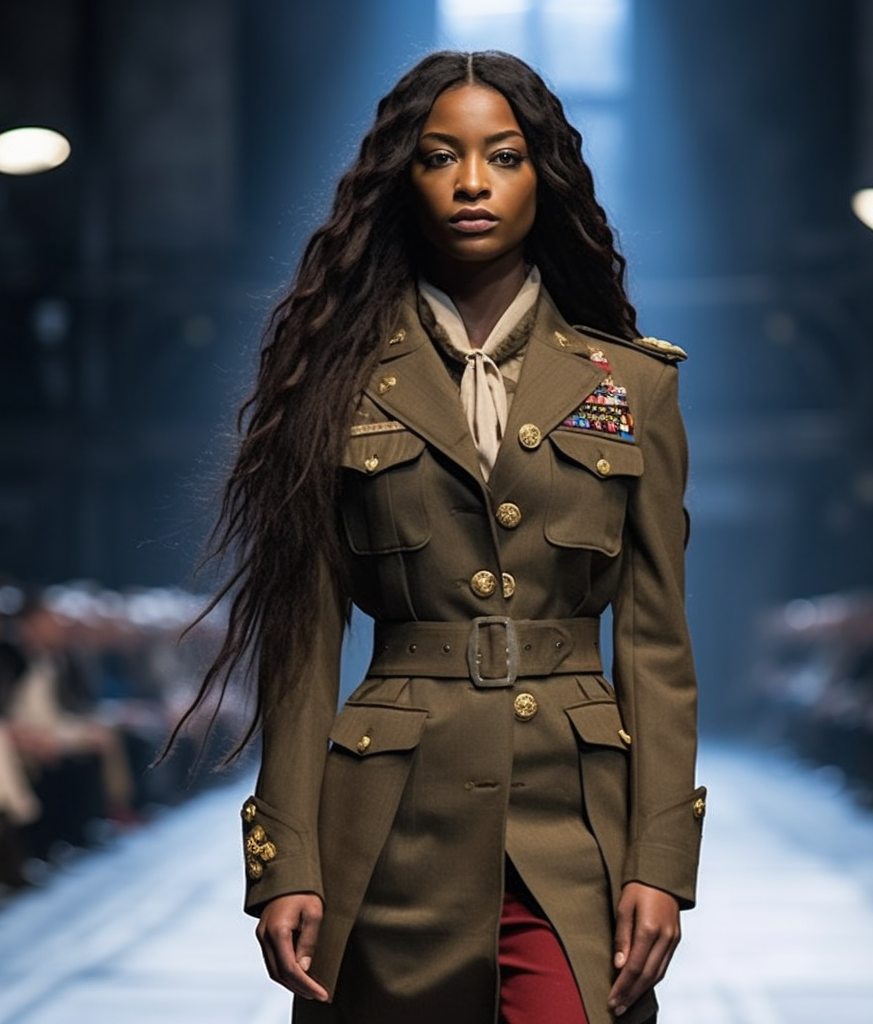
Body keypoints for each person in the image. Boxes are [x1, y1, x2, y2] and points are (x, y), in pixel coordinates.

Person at [179, 50, 706, 1024]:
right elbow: (300, 644)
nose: (471, 183)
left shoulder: (631, 387)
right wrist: (285, 858)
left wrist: (662, 861)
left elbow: (658, 650)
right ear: (401, 181)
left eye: (502, 157)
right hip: (389, 830)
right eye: (438, 157)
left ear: (541, 177)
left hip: (575, 838)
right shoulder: (333, 382)